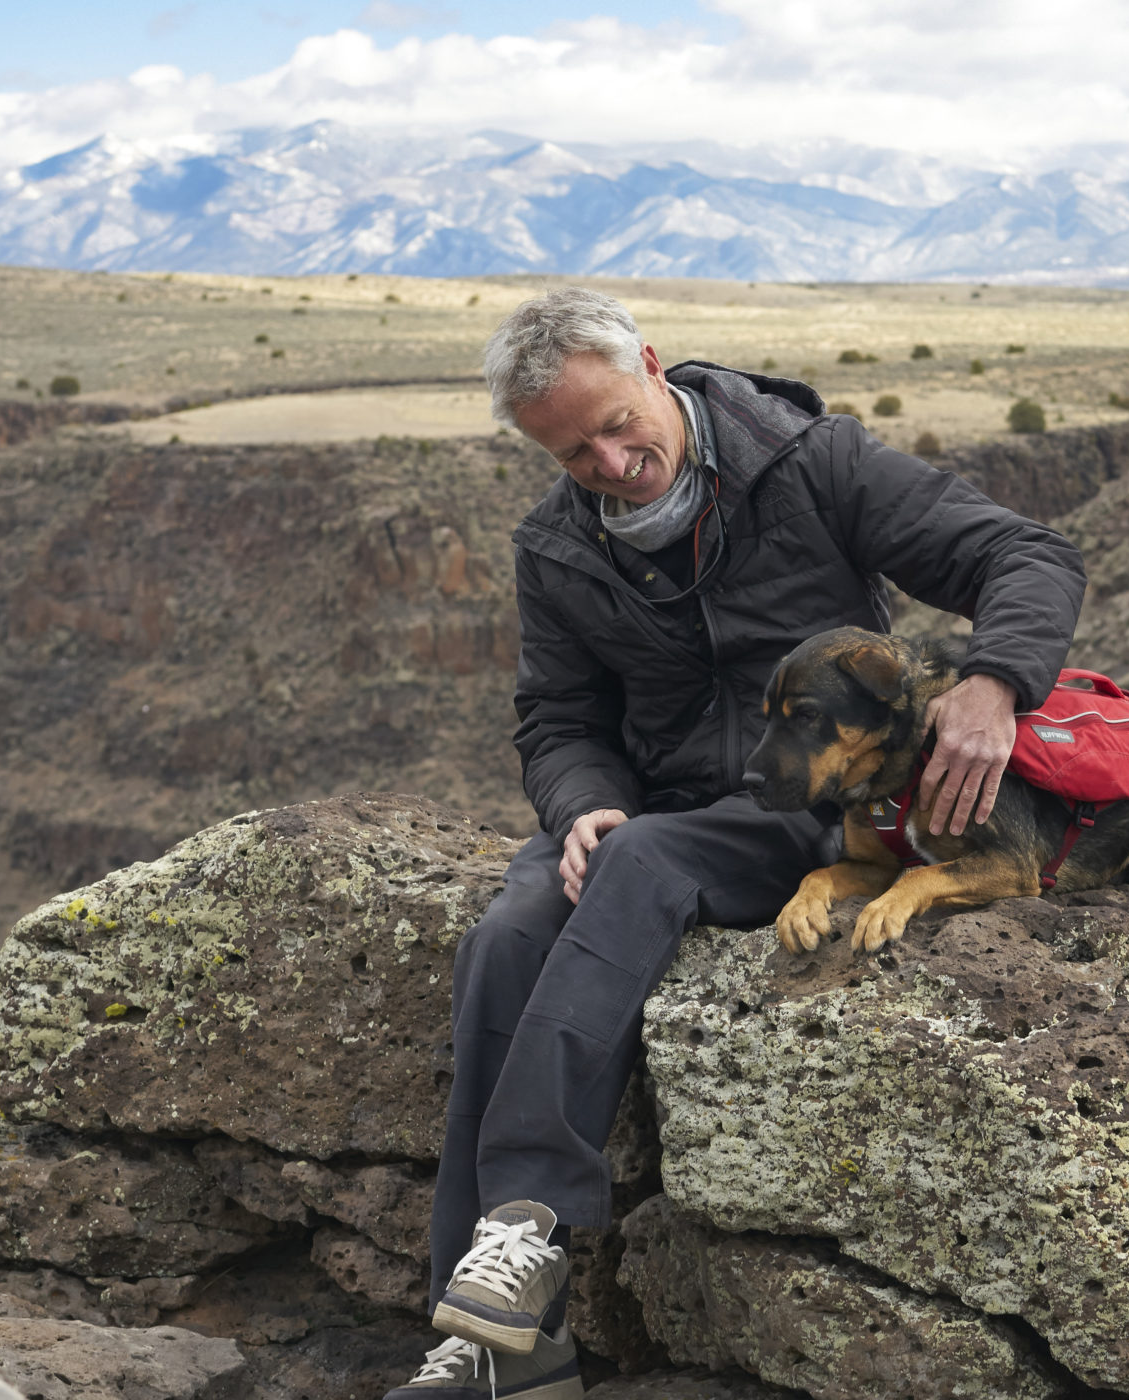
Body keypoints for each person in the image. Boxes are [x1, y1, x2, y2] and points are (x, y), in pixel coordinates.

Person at [387, 287, 1085, 1399]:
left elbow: (1026, 555)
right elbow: (558, 721)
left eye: (619, 425)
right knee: (510, 931)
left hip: (815, 810)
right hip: (657, 810)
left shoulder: (814, 464)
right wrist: (581, 805)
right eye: (574, 453)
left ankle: (522, 1218)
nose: (612, 462)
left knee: (645, 863)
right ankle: (498, 1348)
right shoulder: (557, 549)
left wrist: (997, 682)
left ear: (652, 364)